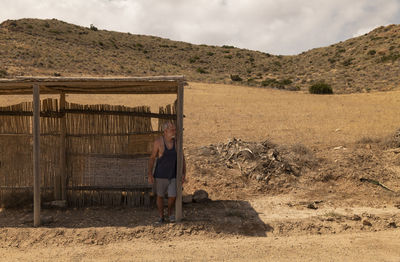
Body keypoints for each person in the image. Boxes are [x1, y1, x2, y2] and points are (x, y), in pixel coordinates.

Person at [148, 121, 186, 224]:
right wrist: (150, 174)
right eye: (172, 130)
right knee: (159, 196)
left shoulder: (177, 143)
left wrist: (183, 173)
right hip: (160, 175)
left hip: (173, 175)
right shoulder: (158, 142)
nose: (174, 132)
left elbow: (182, 158)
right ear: (165, 131)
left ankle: (169, 212)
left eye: (175, 130)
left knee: (172, 196)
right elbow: (152, 158)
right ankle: (161, 216)